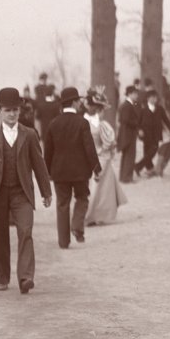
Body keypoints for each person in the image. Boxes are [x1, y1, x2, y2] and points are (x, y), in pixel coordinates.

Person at [0, 87, 52, 294]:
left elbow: (39, 165)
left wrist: (46, 191)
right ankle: (2, 277)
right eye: (8, 110)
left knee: (26, 231)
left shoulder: (29, 135)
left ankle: (26, 277)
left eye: (15, 110)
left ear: (20, 111)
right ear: (0, 111)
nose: (12, 114)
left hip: (22, 193)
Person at [44, 86, 101, 248]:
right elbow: (89, 148)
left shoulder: (53, 124)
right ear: (75, 103)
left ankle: (63, 241)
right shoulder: (82, 122)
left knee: (62, 204)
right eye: (78, 101)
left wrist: (47, 172)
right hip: (80, 171)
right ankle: (77, 227)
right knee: (82, 198)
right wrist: (96, 168)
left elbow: (48, 151)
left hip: (59, 172)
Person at [84, 88, 126, 226]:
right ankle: (90, 215)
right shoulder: (90, 122)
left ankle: (93, 215)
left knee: (98, 187)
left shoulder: (97, 122)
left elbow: (109, 141)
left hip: (98, 156)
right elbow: (109, 142)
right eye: (96, 107)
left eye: (97, 108)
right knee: (95, 187)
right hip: (95, 156)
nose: (96, 110)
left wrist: (105, 148)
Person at [136, 88, 170, 177]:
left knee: (154, 149)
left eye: (155, 97)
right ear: (148, 98)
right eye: (152, 97)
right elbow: (138, 122)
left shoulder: (160, 109)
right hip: (146, 134)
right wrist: (139, 130)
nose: (154, 99)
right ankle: (149, 169)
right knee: (147, 151)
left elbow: (166, 120)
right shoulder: (143, 109)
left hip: (156, 134)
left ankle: (138, 166)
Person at [116, 85, 140, 183]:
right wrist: (136, 123)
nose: (136, 95)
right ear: (130, 94)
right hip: (128, 134)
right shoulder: (127, 105)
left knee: (127, 155)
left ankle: (124, 176)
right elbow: (125, 120)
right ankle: (127, 177)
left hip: (127, 133)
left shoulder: (125, 105)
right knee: (130, 156)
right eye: (135, 93)